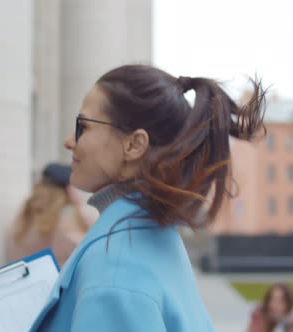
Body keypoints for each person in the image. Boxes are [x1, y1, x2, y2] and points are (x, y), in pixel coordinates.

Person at [29, 64, 266, 331]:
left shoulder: (115, 269)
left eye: (83, 126)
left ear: (134, 145)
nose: (69, 140)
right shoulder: (152, 235)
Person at [5, 163, 97, 267]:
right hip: (57, 280)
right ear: (69, 189)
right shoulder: (68, 216)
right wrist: (79, 205)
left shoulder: (25, 215)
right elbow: (88, 253)